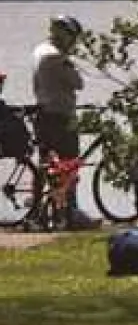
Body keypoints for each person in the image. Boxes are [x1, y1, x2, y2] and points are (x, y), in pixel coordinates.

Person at [32, 15, 97, 229]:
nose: (74, 42)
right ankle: (71, 213)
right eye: (73, 38)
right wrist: (70, 61)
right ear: (65, 35)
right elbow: (78, 83)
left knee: (46, 167)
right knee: (70, 165)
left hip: (43, 114)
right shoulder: (56, 57)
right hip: (60, 117)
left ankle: (39, 212)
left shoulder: (40, 50)